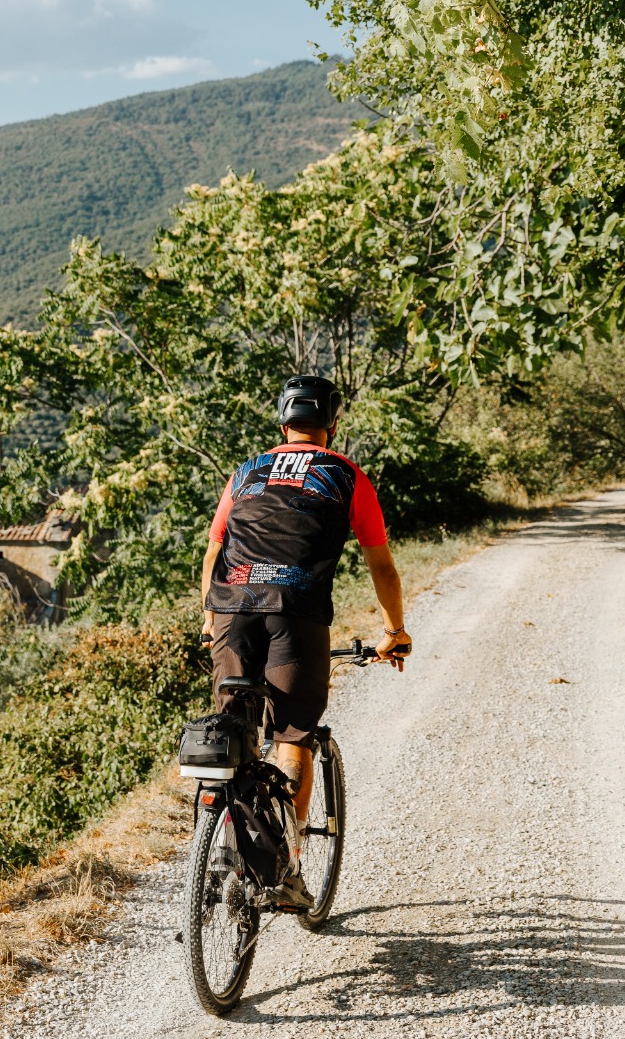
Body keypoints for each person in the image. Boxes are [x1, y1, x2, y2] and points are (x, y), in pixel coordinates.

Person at [200, 374, 411, 907]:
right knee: (293, 735)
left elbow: (215, 550)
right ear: (331, 427)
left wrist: (209, 615)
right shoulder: (347, 476)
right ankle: (288, 872)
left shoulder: (246, 471)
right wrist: (394, 632)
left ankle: (220, 844)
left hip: (231, 610)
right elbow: (381, 566)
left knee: (231, 730)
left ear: (282, 424)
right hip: (295, 613)